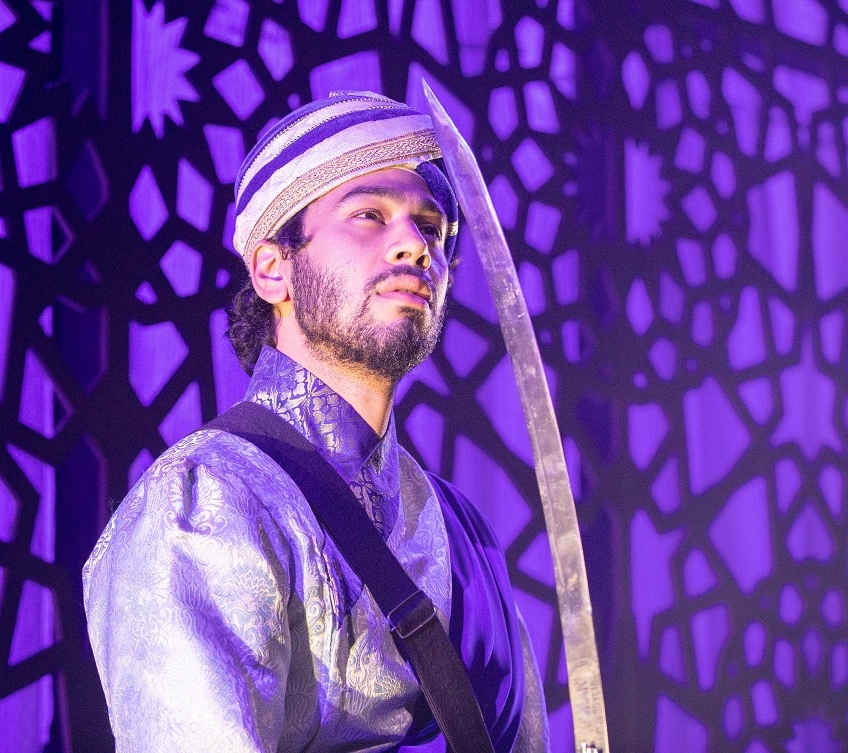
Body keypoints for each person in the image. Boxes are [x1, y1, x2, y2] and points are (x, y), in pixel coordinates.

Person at [84, 91, 549, 752]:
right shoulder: (204, 500)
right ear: (273, 269)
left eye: (431, 227)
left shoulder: (462, 531)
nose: (415, 246)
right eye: (369, 214)